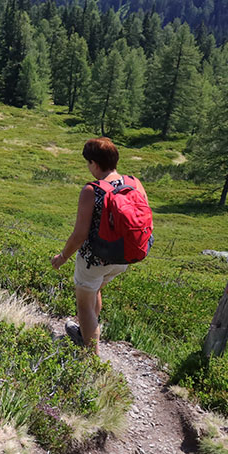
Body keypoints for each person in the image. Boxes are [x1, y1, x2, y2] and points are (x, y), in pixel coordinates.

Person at [50, 137, 148, 351]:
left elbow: (79, 235)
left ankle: (90, 358)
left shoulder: (91, 191)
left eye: (88, 163)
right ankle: (87, 332)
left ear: (94, 163)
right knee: (95, 290)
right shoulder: (135, 183)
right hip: (123, 257)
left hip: (94, 259)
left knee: (84, 305)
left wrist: (62, 257)